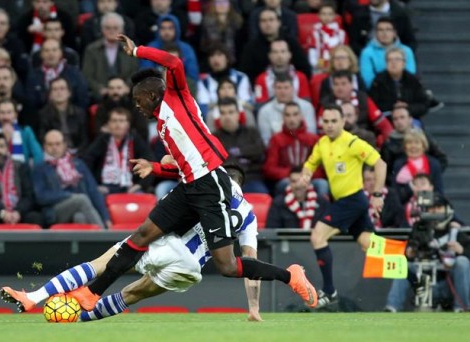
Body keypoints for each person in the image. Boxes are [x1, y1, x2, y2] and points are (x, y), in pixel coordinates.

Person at [71, 34, 318, 311]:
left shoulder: (178, 98)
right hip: (190, 186)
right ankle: (92, 294)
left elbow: (174, 62)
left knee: (227, 266)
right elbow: (183, 164)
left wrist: (138, 50)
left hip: (211, 185)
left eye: (138, 100)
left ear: (152, 95)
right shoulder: (162, 126)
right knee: (141, 236)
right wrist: (154, 167)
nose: (136, 106)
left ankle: (290, 275)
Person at [1, 164, 264, 322]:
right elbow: (250, 264)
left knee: (102, 264)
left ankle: (33, 297)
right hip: (190, 270)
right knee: (131, 294)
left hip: (164, 244)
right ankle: (77, 317)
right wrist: (253, 308)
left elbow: (177, 164)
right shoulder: (249, 217)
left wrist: (158, 164)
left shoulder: (205, 181)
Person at [298, 103, 387, 308]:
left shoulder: (352, 143)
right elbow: (310, 163)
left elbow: (380, 164)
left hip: (353, 200)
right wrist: (305, 175)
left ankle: (329, 291)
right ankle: (416, 277)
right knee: (370, 245)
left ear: (343, 122)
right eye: (326, 121)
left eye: (333, 121)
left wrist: (377, 194)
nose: (329, 125)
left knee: (317, 236)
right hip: (346, 203)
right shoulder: (322, 144)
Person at [384, 194, 470, 312]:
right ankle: (392, 307)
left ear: (447, 209)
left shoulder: (457, 233)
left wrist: (461, 251)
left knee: (463, 261)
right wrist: (409, 254)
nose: (434, 211)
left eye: (438, 207)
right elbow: (408, 254)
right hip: (423, 284)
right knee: (403, 265)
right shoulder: (419, 229)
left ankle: (461, 308)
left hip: (447, 285)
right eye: (431, 208)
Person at [32, 130, 110, 228]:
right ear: (44, 147)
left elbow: (93, 191)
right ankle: (104, 237)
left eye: (58, 144)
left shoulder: (78, 164)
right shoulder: (40, 168)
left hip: (80, 207)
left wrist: (106, 218)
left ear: (64, 145)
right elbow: (41, 196)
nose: (54, 148)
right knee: (81, 199)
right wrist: (68, 196)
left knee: (80, 217)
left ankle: (85, 243)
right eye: (50, 144)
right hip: (55, 210)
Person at [0, 132, 42, 228]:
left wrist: (18, 212)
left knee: (35, 217)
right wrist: (2, 213)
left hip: (19, 212)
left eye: (1, 146)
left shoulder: (21, 167)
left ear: (7, 149)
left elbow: (29, 195)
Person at [83, 107, 154, 195]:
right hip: (105, 187)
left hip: (131, 187)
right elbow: (87, 162)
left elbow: (150, 162)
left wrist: (140, 185)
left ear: (128, 124)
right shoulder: (102, 140)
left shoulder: (135, 140)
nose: (117, 124)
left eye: (121, 121)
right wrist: (95, 185)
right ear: (108, 124)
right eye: (114, 121)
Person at [262, 102, 326, 196]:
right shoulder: (276, 139)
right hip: (287, 180)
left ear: (301, 116)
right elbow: (269, 169)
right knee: (284, 184)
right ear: (283, 118)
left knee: (322, 184)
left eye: (295, 114)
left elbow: (321, 168)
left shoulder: (313, 139)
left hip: (309, 179)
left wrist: (304, 176)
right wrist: (293, 175)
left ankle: (321, 211)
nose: (292, 119)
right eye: (288, 115)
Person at [320, 70, 393, 147]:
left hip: (362, 138)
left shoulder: (363, 99)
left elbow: (383, 124)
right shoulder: (326, 103)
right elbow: (321, 131)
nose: (340, 88)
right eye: (336, 84)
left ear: (352, 84)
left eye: (343, 84)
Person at [240, 8, 310, 83]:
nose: (268, 24)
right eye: (263, 21)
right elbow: (246, 75)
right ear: (259, 24)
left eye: (271, 20)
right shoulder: (251, 47)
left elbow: (305, 69)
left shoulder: (291, 43)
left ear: (279, 22)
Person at [213, 97, 267, 194]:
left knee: (261, 194)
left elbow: (259, 150)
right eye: (223, 113)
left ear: (238, 114)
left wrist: (238, 152)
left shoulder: (251, 132)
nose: (227, 116)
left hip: (251, 178)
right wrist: (245, 158)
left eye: (231, 112)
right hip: (225, 181)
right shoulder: (214, 137)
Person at [82, 12, 139, 102]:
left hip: (126, 96)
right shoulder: (91, 50)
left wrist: (127, 87)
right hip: (99, 97)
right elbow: (87, 75)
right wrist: (100, 89)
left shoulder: (130, 48)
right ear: (102, 29)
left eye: (115, 28)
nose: (111, 31)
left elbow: (135, 71)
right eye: (107, 28)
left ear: (122, 30)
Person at [26, 38, 89, 111]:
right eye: (46, 50)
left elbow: (83, 99)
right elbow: (31, 102)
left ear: (61, 53)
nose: (51, 53)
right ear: (41, 54)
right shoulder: (33, 75)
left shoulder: (75, 73)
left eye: (54, 50)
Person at [381, 105, 447, 173]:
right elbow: (385, 169)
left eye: (402, 117)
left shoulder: (424, 136)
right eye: (395, 119)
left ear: (410, 119)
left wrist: (430, 178)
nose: (399, 121)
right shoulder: (388, 144)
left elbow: (441, 159)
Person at [369, 47, 430, 119]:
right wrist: (393, 106)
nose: (393, 63)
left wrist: (407, 107)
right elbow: (373, 105)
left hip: (410, 118)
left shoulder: (413, 81)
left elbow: (423, 105)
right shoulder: (378, 81)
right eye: (390, 60)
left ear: (404, 63)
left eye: (397, 59)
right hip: (387, 119)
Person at [257, 74, 317, 145]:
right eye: (279, 88)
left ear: (292, 88)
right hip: (277, 150)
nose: (282, 91)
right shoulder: (264, 111)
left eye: (286, 88)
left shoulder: (307, 107)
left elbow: (311, 134)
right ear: (274, 89)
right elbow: (266, 141)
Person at [197, 45, 253, 117]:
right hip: (213, 119)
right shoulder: (204, 82)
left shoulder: (240, 78)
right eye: (212, 56)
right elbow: (203, 109)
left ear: (227, 58)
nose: (215, 59)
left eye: (219, 55)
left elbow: (249, 105)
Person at [359, 17, 416, 89]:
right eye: (380, 30)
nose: (384, 33)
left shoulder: (407, 51)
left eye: (388, 29)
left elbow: (410, 76)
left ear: (395, 33)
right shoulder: (367, 53)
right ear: (376, 33)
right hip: (377, 93)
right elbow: (368, 81)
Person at [139, 14, 199, 82]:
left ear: (176, 29)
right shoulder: (150, 48)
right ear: (158, 30)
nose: (166, 32)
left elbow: (192, 75)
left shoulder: (186, 49)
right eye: (163, 28)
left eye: (170, 28)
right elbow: (145, 74)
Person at [0, 99, 43, 165]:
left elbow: (38, 155)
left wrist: (33, 173)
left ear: (15, 115)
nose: (5, 117)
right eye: (2, 113)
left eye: (9, 112)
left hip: (22, 172)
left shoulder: (26, 132)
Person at [392, 129, 444, 204]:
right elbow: (396, 194)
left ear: (423, 146)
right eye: (409, 143)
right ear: (405, 146)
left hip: (430, 206)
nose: (413, 146)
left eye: (417, 143)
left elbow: (439, 192)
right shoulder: (398, 165)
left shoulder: (434, 164)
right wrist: (410, 189)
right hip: (405, 208)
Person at [38, 77, 88, 155]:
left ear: (69, 93)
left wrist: (78, 155)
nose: (59, 92)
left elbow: (84, 140)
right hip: (53, 153)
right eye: (55, 89)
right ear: (50, 95)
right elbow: (43, 139)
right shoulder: (43, 114)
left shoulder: (79, 113)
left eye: (62, 89)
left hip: (77, 154)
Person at [347, 0, 417, 55]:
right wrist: (367, 54)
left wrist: (400, 55)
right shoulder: (358, 15)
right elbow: (354, 43)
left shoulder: (400, 14)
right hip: (368, 59)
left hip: (397, 59)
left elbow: (410, 42)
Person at [254, 39, 311, 104]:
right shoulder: (261, 79)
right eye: (275, 52)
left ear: (290, 55)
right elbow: (260, 105)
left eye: (283, 51)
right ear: (270, 56)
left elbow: (306, 103)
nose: (279, 56)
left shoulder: (301, 77)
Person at [93, 76, 149, 142]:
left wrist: (116, 131)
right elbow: (98, 131)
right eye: (111, 88)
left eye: (119, 88)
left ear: (126, 89)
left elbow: (142, 131)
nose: (115, 91)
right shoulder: (102, 107)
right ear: (107, 90)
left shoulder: (135, 107)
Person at [307, 3, 347, 74]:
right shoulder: (314, 33)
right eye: (324, 14)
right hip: (320, 67)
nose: (327, 17)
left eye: (330, 14)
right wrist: (319, 65)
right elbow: (312, 52)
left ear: (334, 16)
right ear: (318, 15)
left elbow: (345, 52)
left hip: (337, 67)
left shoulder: (341, 34)